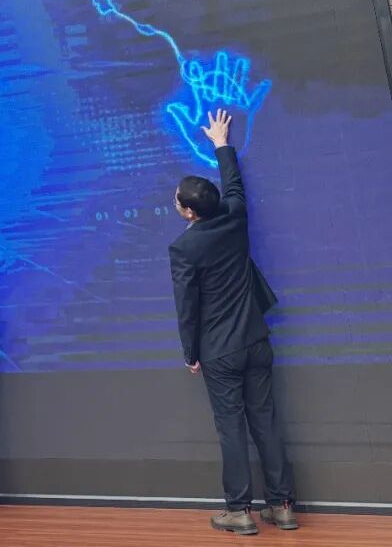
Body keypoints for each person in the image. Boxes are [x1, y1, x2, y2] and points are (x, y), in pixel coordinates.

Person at [169, 110, 297, 535]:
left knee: (231, 429)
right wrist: (221, 144)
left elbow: (187, 307)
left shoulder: (184, 249)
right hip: (256, 340)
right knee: (266, 421)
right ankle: (282, 505)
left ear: (189, 212)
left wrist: (190, 354)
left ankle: (239, 511)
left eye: (178, 200)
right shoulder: (236, 216)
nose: (176, 203)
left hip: (219, 351)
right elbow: (235, 187)